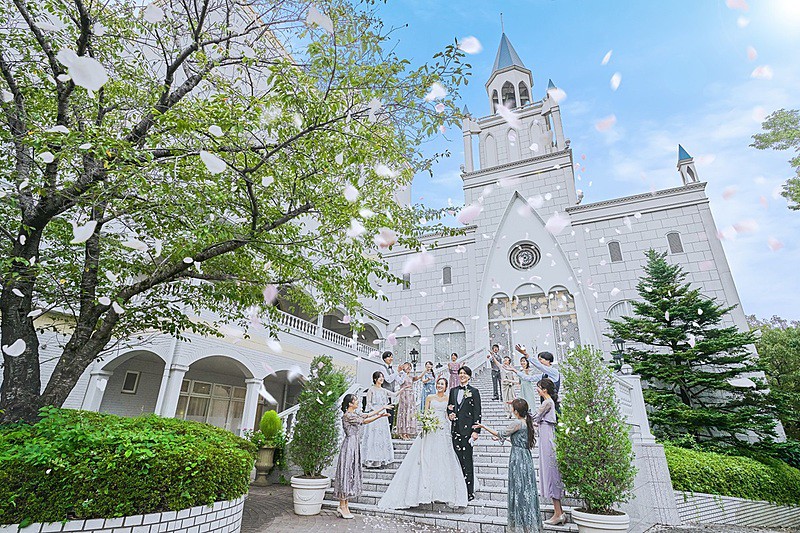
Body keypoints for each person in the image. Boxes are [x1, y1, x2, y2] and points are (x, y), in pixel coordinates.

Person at [377, 377, 468, 509]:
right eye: (438, 383)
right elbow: (426, 413)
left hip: (443, 429)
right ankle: (424, 491)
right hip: (431, 428)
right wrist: (427, 423)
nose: (439, 385)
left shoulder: (449, 398)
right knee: (427, 456)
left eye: (442, 384)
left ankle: (442, 491)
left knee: (443, 457)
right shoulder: (430, 397)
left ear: (446, 386)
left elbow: (449, 414)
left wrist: (452, 417)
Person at [473, 398, 542, 533]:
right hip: (525, 457)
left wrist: (484, 427)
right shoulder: (526, 422)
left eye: (512, 408)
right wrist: (505, 439)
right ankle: (528, 523)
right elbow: (519, 440)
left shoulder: (517, 422)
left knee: (519, 489)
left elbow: (500, 433)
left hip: (518, 458)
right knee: (526, 489)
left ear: (516, 411)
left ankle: (521, 525)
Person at [334, 393, 391, 519]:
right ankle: (342, 506)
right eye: (355, 400)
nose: (358, 402)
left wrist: (381, 410)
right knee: (346, 474)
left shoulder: (354, 414)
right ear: (350, 403)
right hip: (349, 445)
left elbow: (367, 415)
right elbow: (365, 421)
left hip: (354, 445)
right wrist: (379, 416)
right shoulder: (348, 416)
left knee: (351, 474)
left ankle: (345, 505)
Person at [533, 378, 566, 525]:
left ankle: (558, 513)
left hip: (547, 438)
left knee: (551, 473)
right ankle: (559, 512)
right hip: (546, 435)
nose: (537, 390)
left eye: (539, 387)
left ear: (544, 389)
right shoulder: (549, 402)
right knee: (550, 472)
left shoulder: (547, 403)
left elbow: (535, 417)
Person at [447, 365, 481, 501]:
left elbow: (477, 412)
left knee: (467, 460)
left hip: (468, 431)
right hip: (455, 429)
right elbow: (450, 407)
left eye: (465, 373)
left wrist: (476, 431)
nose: (462, 375)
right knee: (457, 459)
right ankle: (458, 489)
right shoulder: (453, 391)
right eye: (460, 373)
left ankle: (469, 491)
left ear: (469, 376)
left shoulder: (474, 391)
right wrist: (450, 414)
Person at [362, 371, 405, 467]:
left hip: (383, 415)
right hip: (374, 414)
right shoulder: (371, 390)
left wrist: (403, 389)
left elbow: (394, 394)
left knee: (381, 437)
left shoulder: (383, 390)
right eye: (379, 377)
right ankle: (371, 460)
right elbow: (368, 403)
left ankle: (380, 459)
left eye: (382, 377)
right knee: (373, 436)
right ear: (375, 379)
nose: (382, 379)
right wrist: (376, 411)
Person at [396, 362, 417, 440]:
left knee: (410, 412)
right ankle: (403, 432)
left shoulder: (411, 377)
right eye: (407, 367)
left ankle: (408, 431)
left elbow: (419, 378)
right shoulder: (401, 375)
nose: (408, 368)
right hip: (404, 395)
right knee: (404, 412)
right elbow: (400, 382)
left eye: (409, 367)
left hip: (410, 395)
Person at [381, 351, 401, 427]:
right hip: (385, 394)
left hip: (392, 395)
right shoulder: (382, 368)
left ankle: (390, 430)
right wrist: (397, 371)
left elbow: (400, 381)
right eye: (389, 357)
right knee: (386, 413)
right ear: (384, 359)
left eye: (392, 357)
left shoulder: (393, 370)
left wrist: (405, 373)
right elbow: (388, 379)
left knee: (391, 413)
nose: (391, 358)